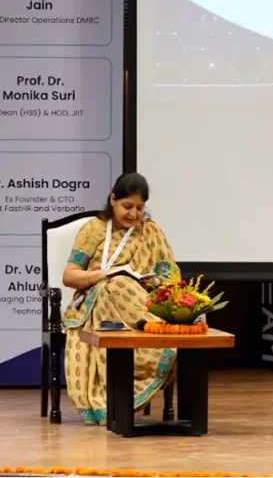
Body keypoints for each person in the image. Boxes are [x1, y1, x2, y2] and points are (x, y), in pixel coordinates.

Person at [61, 173, 177, 425]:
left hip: (139, 300)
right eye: (127, 206)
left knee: (124, 283)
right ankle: (155, 336)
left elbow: (170, 275)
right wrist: (102, 275)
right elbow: (70, 276)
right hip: (95, 302)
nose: (134, 214)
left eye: (140, 207)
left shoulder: (151, 232)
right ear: (113, 199)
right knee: (115, 284)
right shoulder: (94, 229)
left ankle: (157, 343)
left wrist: (155, 281)